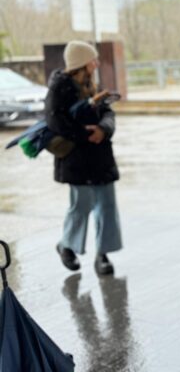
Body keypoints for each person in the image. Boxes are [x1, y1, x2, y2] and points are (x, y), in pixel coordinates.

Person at [47, 40, 122, 276]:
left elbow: (108, 113)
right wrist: (85, 134)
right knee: (81, 204)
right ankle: (66, 245)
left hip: (100, 156)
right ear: (81, 63)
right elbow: (54, 121)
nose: (96, 63)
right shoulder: (60, 89)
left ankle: (103, 255)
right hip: (77, 158)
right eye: (92, 60)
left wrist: (104, 129)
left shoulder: (94, 84)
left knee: (107, 205)